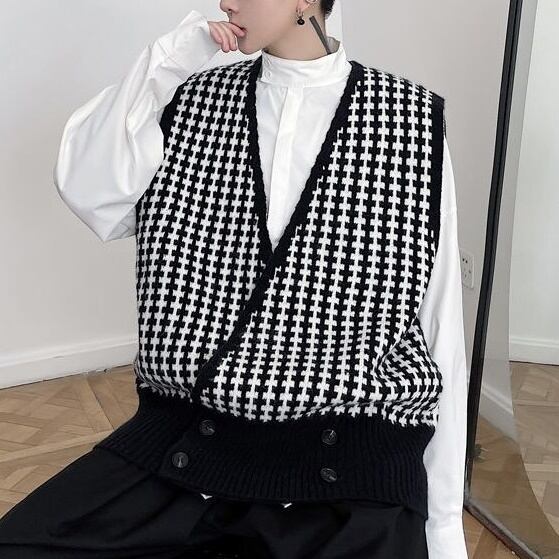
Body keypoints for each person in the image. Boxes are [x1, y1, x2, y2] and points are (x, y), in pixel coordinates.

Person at [0, 1, 469, 558]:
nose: (226, 1)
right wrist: (170, 60)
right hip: (190, 443)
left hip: (348, 460)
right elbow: (91, 191)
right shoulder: (191, 101)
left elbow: (439, 324)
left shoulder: (409, 120)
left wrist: (444, 530)